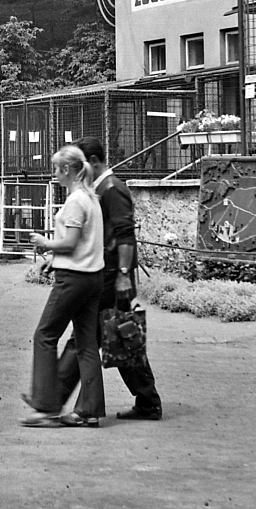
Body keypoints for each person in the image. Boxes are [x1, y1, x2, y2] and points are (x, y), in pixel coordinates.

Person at [57, 137, 163, 421]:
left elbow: (126, 235)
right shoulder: (100, 189)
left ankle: (53, 397)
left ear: (92, 163)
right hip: (107, 275)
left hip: (112, 277)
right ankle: (148, 401)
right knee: (120, 338)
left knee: (87, 338)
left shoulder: (112, 189)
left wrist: (124, 275)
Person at [20, 144, 106, 428]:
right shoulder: (92, 198)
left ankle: (46, 406)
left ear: (67, 170)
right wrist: (53, 258)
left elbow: (69, 244)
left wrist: (45, 244)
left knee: (44, 334)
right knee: (86, 344)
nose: (54, 174)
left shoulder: (75, 201)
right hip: (94, 277)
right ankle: (89, 409)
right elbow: (82, 243)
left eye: (56, 169)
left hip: (73, 279)